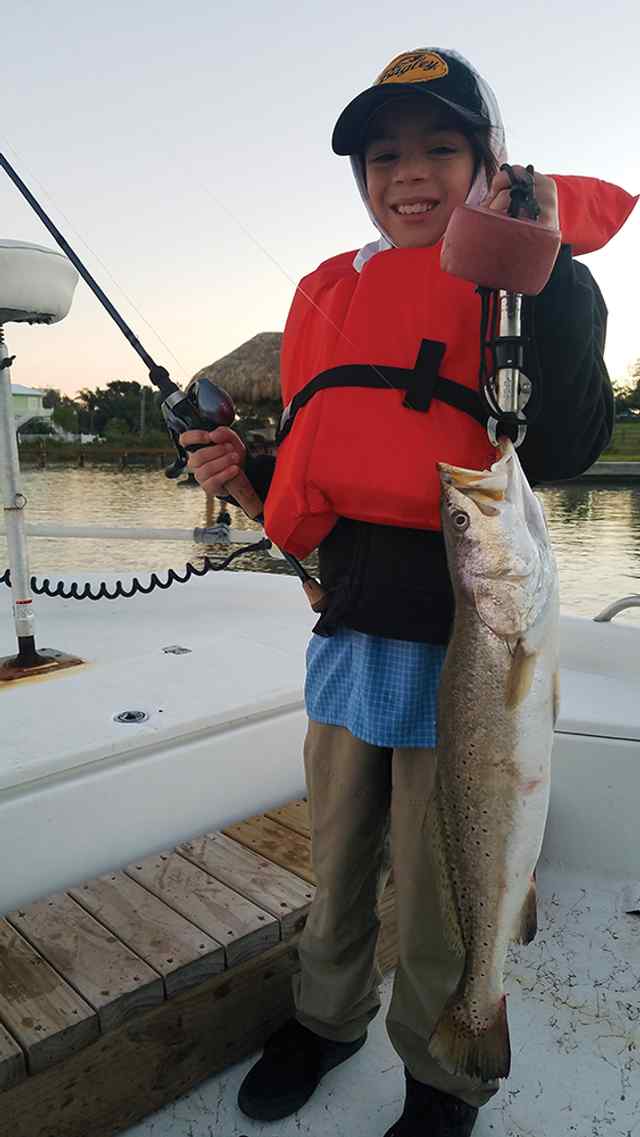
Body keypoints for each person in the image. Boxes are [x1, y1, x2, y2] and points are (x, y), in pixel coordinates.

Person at [181, 47, 633, 1137]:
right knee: (336, 859)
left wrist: (547, 267)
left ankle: (448, 1070)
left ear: (488, 160)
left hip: (471, 638)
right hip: (351, 629)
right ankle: (324, 1019)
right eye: (385, 156)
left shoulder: (523, 276)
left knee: (447, 879)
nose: (410, 174)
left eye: (441, 146)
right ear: (361, 178)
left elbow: (565, 444)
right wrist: (241, 474)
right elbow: (318, 475)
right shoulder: (331, 292)